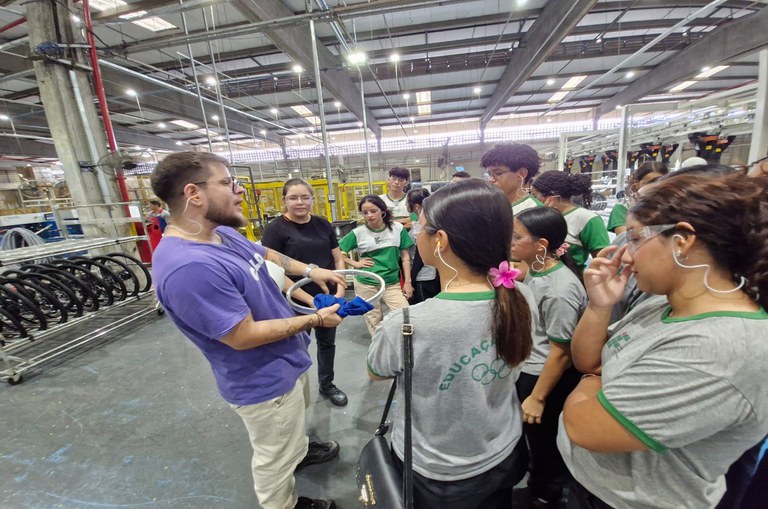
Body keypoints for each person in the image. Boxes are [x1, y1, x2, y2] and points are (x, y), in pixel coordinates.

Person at [559, 171, 768, 508]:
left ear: (682, 240)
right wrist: (600, 306)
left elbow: (584, 427)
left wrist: (590, 381)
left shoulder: (720, 349)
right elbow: (589, 360)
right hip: (598, 487)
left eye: (636, 238)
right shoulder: (663, 304)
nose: (625, 255)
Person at [150, 152, 347, 509]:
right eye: (227, 183)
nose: (239, 190)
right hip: (262, 380)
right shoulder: (189, 265)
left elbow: (265, 253)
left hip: (286, 358)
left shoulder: (219, 232)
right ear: (194, 194)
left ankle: (299, 452)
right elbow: (242, 336)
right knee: (274, 458)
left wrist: (313, 271)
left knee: (291, 433)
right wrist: (315, 320)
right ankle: (284, 504)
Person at [367, 179, 537, 508]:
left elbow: (376, 372)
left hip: (436, 470)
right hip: (503, 451)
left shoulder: (406, 324)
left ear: (440, 240)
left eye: (420, 227)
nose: (416, 234)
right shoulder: (519, 297)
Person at [511, 207, 587, 507]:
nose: (511, 241)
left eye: (517, 237)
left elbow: (561, 351)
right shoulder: (537, 269)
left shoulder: (559, 290)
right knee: (534, 439)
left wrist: (538, 397)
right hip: (530, 368)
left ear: (541, 245)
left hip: (546, 376)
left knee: (545, 443)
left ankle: (545, 494)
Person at [261, 178, 348, 407]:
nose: (300, 202)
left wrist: (339, 288)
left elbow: (337, 256)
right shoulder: (275, 229)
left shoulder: (322, 224)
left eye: (304, 197)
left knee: (327, 343)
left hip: (328, 295)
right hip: (294, 300)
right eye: (293, 197)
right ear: (284, 201)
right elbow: (276, 271)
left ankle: (327, 384)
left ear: (312, 199)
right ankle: (294, 389)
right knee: (296, 345)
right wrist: (311, 300)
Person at [339, 194, 413, 336]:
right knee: (373, 319)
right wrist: (355, 263)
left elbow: (405, 257)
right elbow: (338, 252)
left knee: (404, 314)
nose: (369, 215)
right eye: (365, 212)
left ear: (382, 211)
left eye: (373, 211)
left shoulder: (397, 229)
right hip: (367, 282)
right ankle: (379, 349)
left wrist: (408, 282)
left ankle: (400, 344)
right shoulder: (358, 233)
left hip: (392, 282)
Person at [531, 171, 610, 273]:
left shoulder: (588, 219)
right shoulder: (540, 217)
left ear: (551, 196)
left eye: (535, 196)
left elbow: (603, 261)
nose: (534, 201)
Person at [480, 142, 543, 214]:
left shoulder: (535, 212)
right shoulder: (491, 205)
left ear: (521, 173)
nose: (491, 180)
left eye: (498, 173)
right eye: (489, 174)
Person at [607, 162, 668, 235]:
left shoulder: (671, 207)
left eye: (659, 183)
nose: (654, 187)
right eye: (648, 183)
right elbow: (624, 240)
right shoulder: (622, 208)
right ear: (636, 185)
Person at [406, 188, 440, 304]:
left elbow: (419, 257)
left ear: (416, 206)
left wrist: (411, 279)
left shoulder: (422, 227)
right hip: (434, 274)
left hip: (423, 276)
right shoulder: (434, 220)